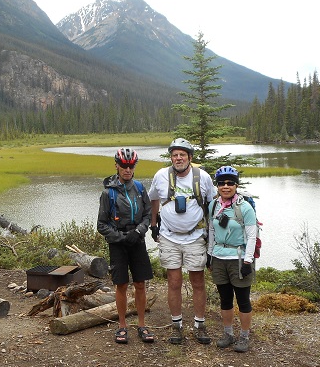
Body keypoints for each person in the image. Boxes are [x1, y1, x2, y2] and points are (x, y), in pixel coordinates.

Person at [148, 138, 216, 344]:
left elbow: (213, 205)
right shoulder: (161, 176)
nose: (178, 158)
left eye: (182, 155)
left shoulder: (203, 177)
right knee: (174, 281)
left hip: (195, 236)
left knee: (198, 281)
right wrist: (153, 224)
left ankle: (199, 325)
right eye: (175, 155)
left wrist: (213, 235)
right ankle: (176, 326)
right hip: (169, 236)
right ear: (171, 158)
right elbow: (153, 199)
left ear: (190, 157)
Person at [97, 147, 155, 344]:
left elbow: (148, 213)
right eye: (124, 166)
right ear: (117, 166)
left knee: (140, 284)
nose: (127, 169)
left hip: (137, 240)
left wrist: (138, 231)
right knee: (121, 284)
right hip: (118, 243)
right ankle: (122, 326)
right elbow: (101, 225)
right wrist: (121, 237)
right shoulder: (108, 193)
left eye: (131, 166)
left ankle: (142, 325)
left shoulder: (139, 188)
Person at [207, 165, 256, 352]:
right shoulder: (214, 206)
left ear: (236, 185)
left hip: (239, 258)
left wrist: (248, 261)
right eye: (221, 183)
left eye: (230, 183)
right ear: (217, 186)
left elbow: (252, 236)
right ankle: (228, 334)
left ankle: (244, 337)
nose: (225, 186)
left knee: (243, 300)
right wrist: (209, 255)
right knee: (225, 299)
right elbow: (211, 231)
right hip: (219, 257)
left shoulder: (245, 208)